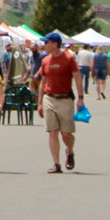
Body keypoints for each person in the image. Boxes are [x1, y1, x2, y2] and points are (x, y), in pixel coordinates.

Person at [36, 32, 83, 173]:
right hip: (49, 98)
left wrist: (81, 98)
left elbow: (78, 78)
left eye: (47, 42)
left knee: (66, 134)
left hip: (65, 99)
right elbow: (42, 82)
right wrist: (39, 103)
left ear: (55, 44)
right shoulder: (45, 60)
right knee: (53, 131)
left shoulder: (69, 59)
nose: (44, 45)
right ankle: (56, 164)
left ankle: (70, 151)